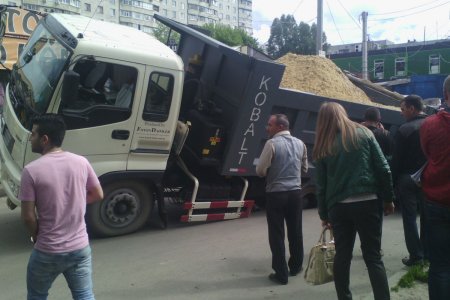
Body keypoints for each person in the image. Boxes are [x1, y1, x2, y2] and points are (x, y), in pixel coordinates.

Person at [313, 102, 394, 300]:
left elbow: (321, 185)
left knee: (342, 255)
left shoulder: (323, 143)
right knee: (373, 257)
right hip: (367, 202)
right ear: (343, 114)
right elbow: (384, 168)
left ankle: (345, 297)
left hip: (338, 207)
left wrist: (324, 214)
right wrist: (388, 198)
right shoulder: (364, 133)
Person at [20, 114, 104, 300]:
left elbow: (28, 216)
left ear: (44, 139)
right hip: (80, 249)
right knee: (84, 295)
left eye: (33, 134)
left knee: (37, 296)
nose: (30, 138)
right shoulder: (81, 162)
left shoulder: (31, 171)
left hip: (47, 252)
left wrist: (35, 235)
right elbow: (98, 194)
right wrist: (75, 203)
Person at [256, 114, 308, 285]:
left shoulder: (271, 144)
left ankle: (281, 274)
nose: (267, 127)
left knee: (277, 234)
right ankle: (296, 266)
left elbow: (261, 170)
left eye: (269, 124)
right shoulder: (301, 144)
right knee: (295, 231)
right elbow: (305, 168)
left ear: (279, 126)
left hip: (276, 194)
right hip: (295, 193)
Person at [420, 75, 450, 300]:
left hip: (437, 201)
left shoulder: (429, 125)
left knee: (439, 266)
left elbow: (428, 155)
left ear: (445, 94)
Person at [391, 94, 428, 267]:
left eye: (403, 109)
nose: (401, 113)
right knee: (428, 216)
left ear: (412, 109)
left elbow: (396, 160)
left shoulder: (404, 130)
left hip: (407, 179)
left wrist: (392, 183)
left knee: (410, 218)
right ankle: (428, 253)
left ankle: (416, 256)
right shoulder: (432, 125)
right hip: (429, 178)